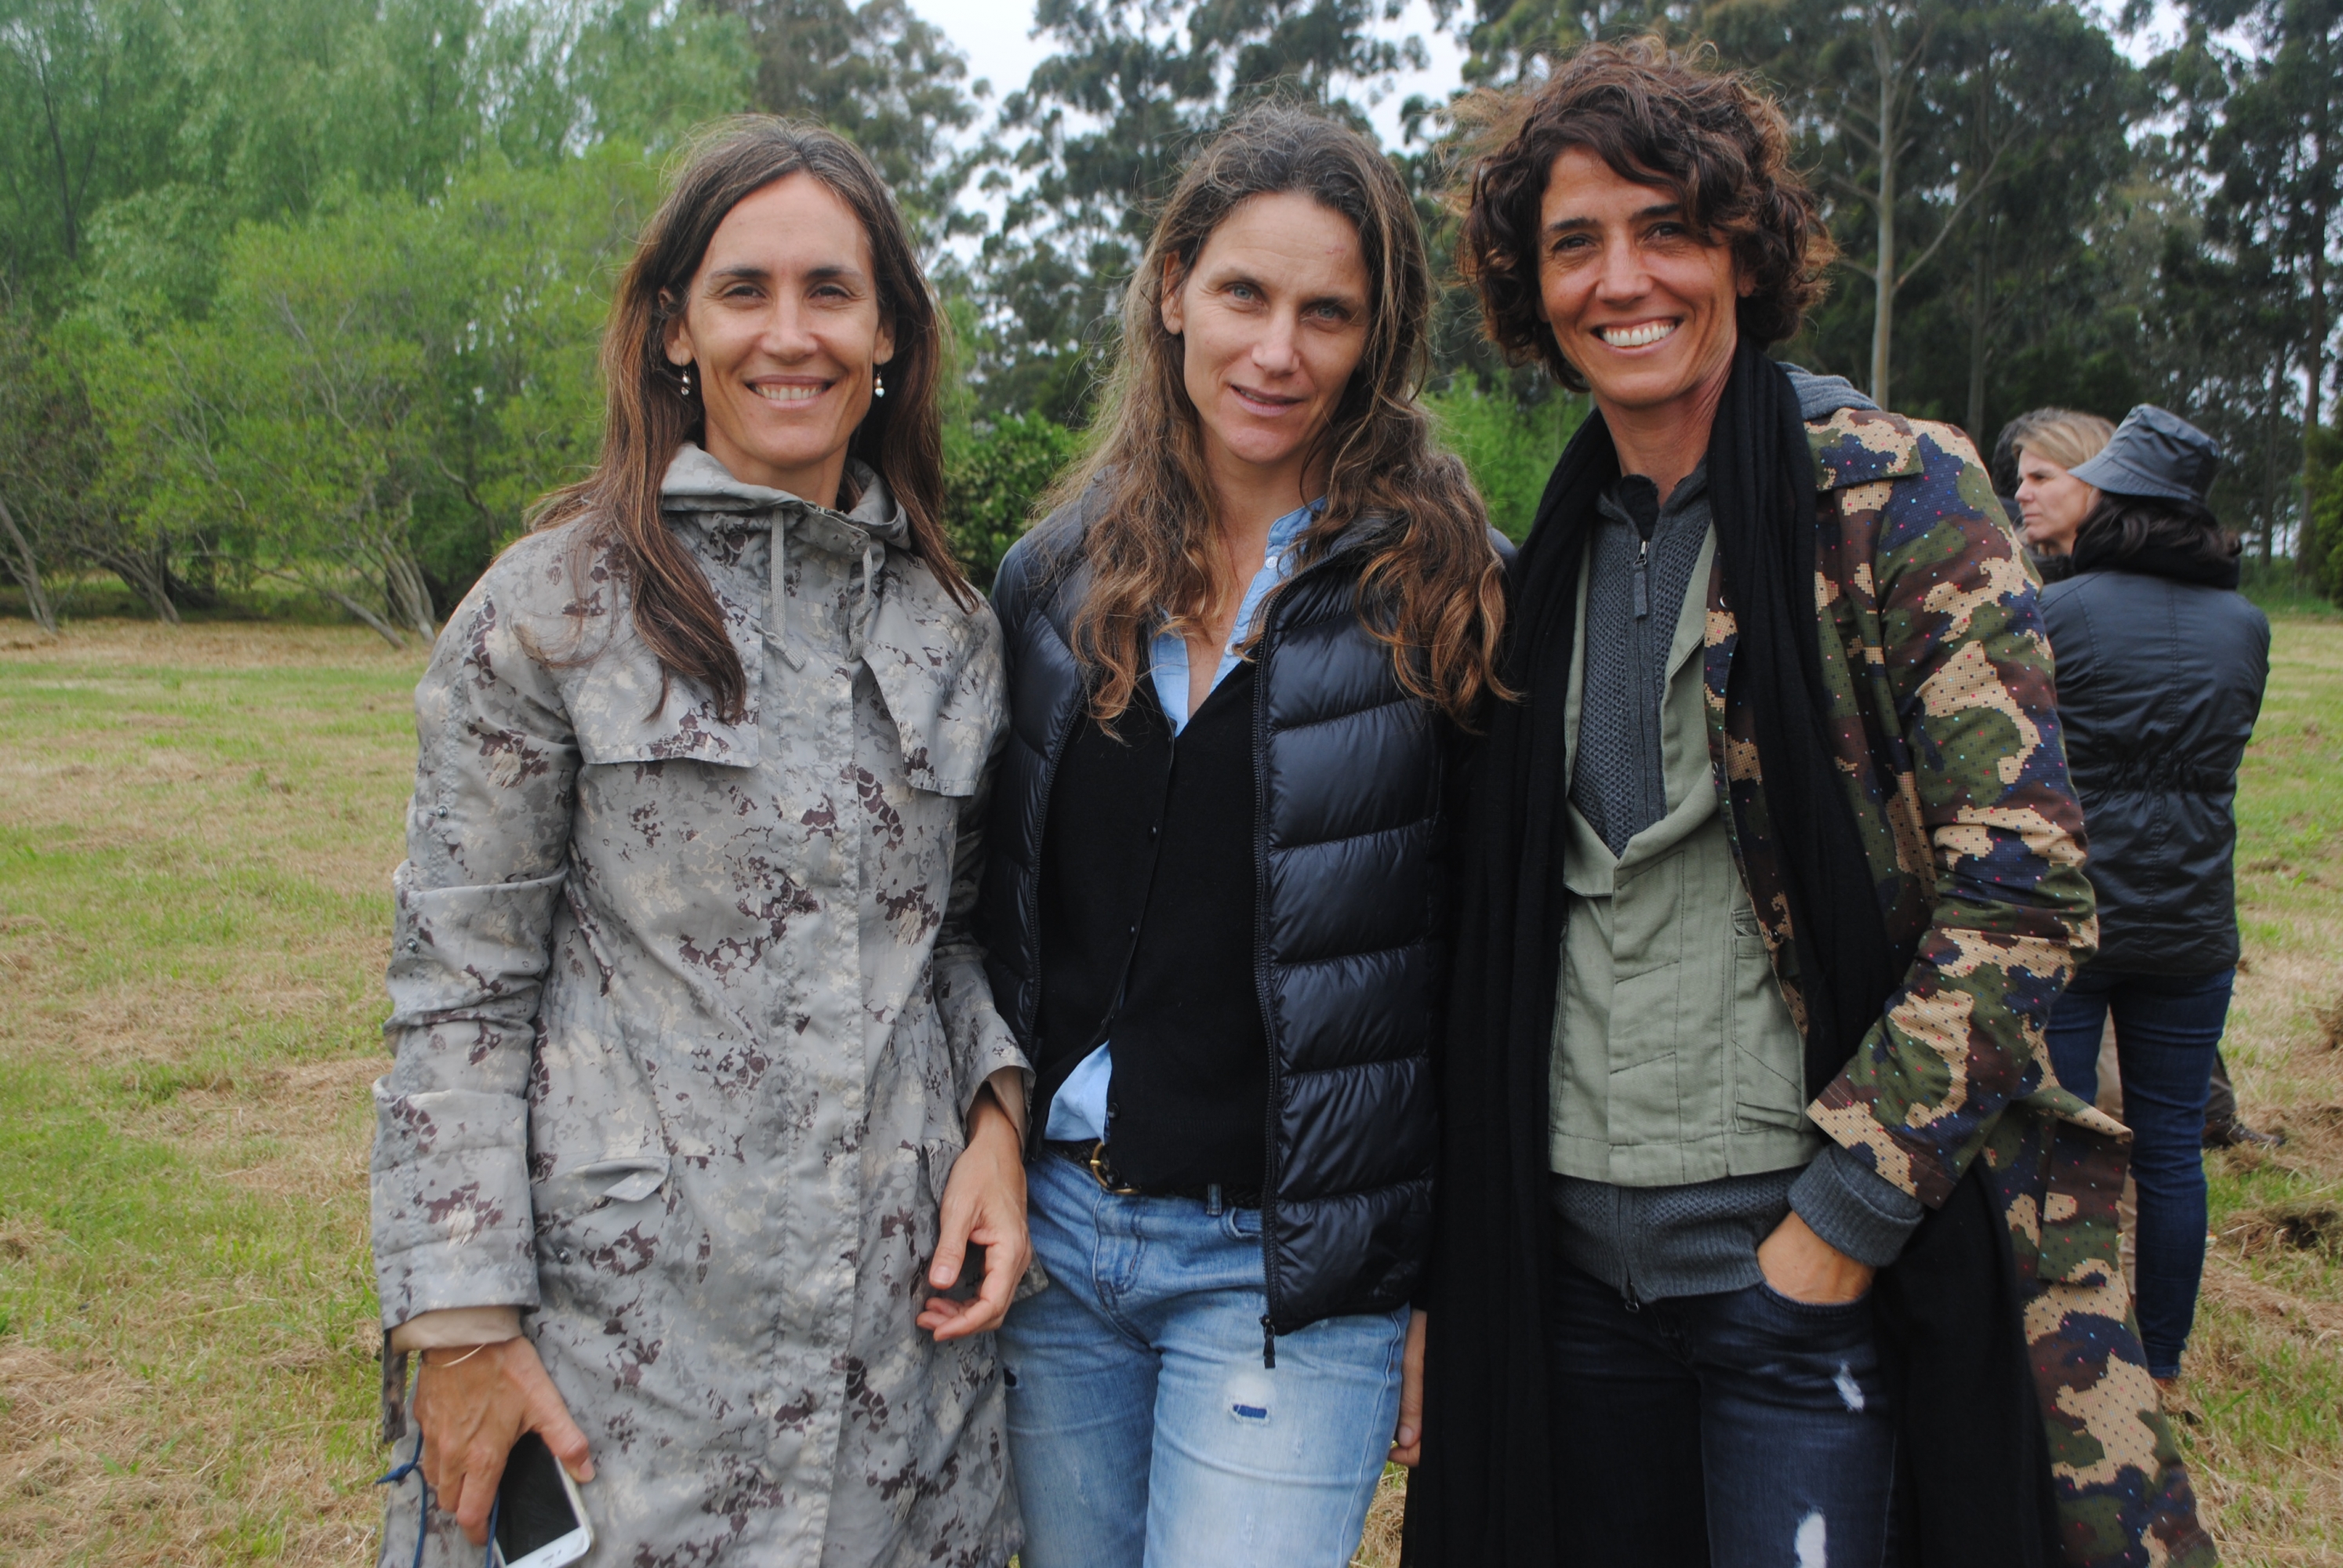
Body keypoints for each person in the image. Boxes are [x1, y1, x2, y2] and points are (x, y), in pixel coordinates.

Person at [1404, 38, 2211, 1568]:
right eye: (1574, 243)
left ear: (1744, 251)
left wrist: (1833, 1228)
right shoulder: (1545, 561)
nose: (1620, 279)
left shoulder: (1899, 501)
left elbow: (2027, 894)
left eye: (1669, 230)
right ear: (1529, 285)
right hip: (1570, 1278)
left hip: (1797, 1261)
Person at [368, 119, 1030, 1567]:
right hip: (621, 1363)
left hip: (888, 1375)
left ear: (888, 339)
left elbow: (955, 937)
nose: (786, 336)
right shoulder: (550, 614)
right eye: (742, 291)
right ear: (674, 328)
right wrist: (463, 1324)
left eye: (829, 293)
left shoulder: (950, 632)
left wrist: (996, 1112)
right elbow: (456, 989)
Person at [973, 104, 1508, 1568]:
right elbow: (992, 916)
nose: (1278, 351)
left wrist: (1434, 1286)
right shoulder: (1053, 577)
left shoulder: (1451, 598)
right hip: (1058, 1249)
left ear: (1375, 338)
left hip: (1287, 1269)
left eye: (1326, 313)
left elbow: (1473, 976)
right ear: (1171, 292)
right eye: (1243, 296)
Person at [2040, 404, 2272, 1392]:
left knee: (2060, 1141)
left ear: (2118, 498)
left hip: (2075, 913)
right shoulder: (2247, 627)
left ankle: (2063, 1349)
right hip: (2191, 923)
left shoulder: (2063, 613)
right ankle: (2166, 1361)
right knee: (2174, 1147)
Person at [1997, 407, 2116, 583]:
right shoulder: (2005, 584)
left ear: (2094, 482)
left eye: (2040, 478)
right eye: (2021, 481)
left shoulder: (2146, 580)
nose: (2020, 495)